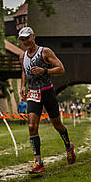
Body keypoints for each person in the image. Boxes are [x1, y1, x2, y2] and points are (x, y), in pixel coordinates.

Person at [18, 26, 76, 174]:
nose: (25, 41)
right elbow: (24, 72)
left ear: (33, 37)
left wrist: (44, 70)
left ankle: (68, 146)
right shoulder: (22, 56)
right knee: (31, 126)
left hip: (47, 92)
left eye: (27, 38)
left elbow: (61, 69)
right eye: (22, 39)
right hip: (33, 94)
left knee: (57, 124)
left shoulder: (45, 52)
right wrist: (22, 86)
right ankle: (38, 162)